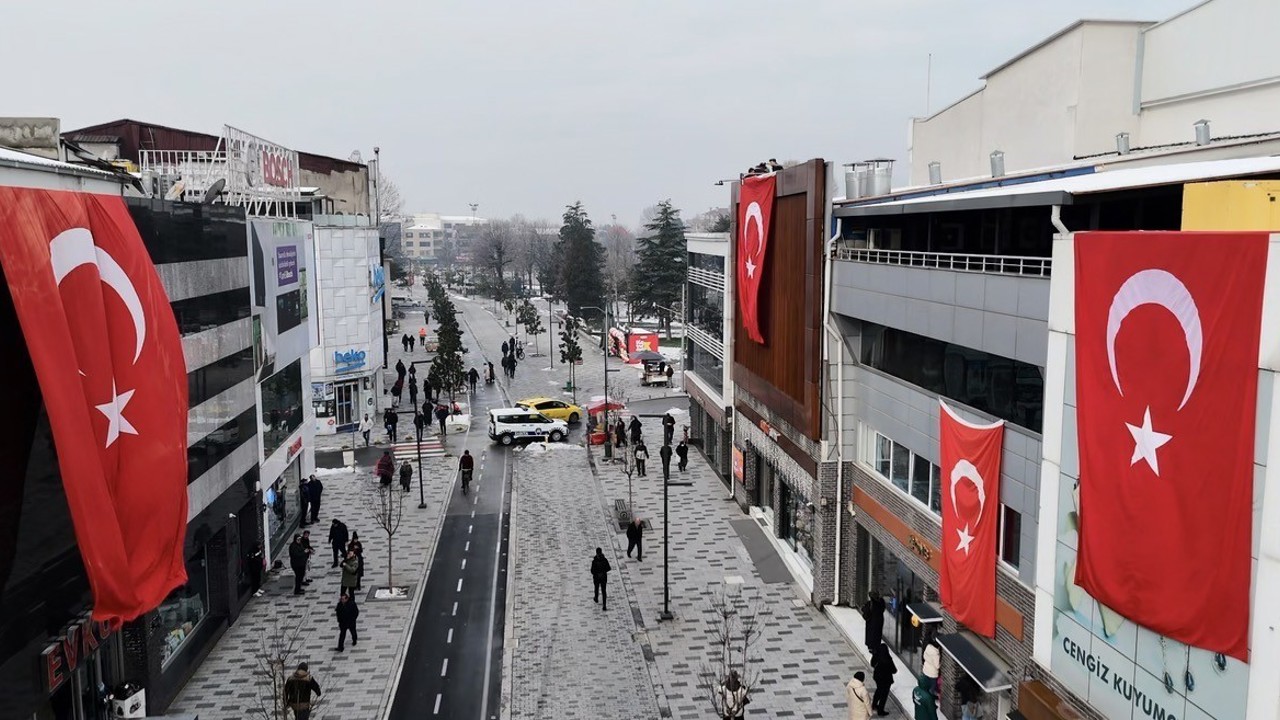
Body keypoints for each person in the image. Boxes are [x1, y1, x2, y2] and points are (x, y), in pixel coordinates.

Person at [871, 641, 897, 716]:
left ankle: (874, 704)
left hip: (877, 677)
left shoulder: (876, 656)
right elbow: (894, 670)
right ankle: (880, 710)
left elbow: (872, 664)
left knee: (878, 690)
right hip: (886, 680)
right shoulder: (888, 659)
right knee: (884, 695)